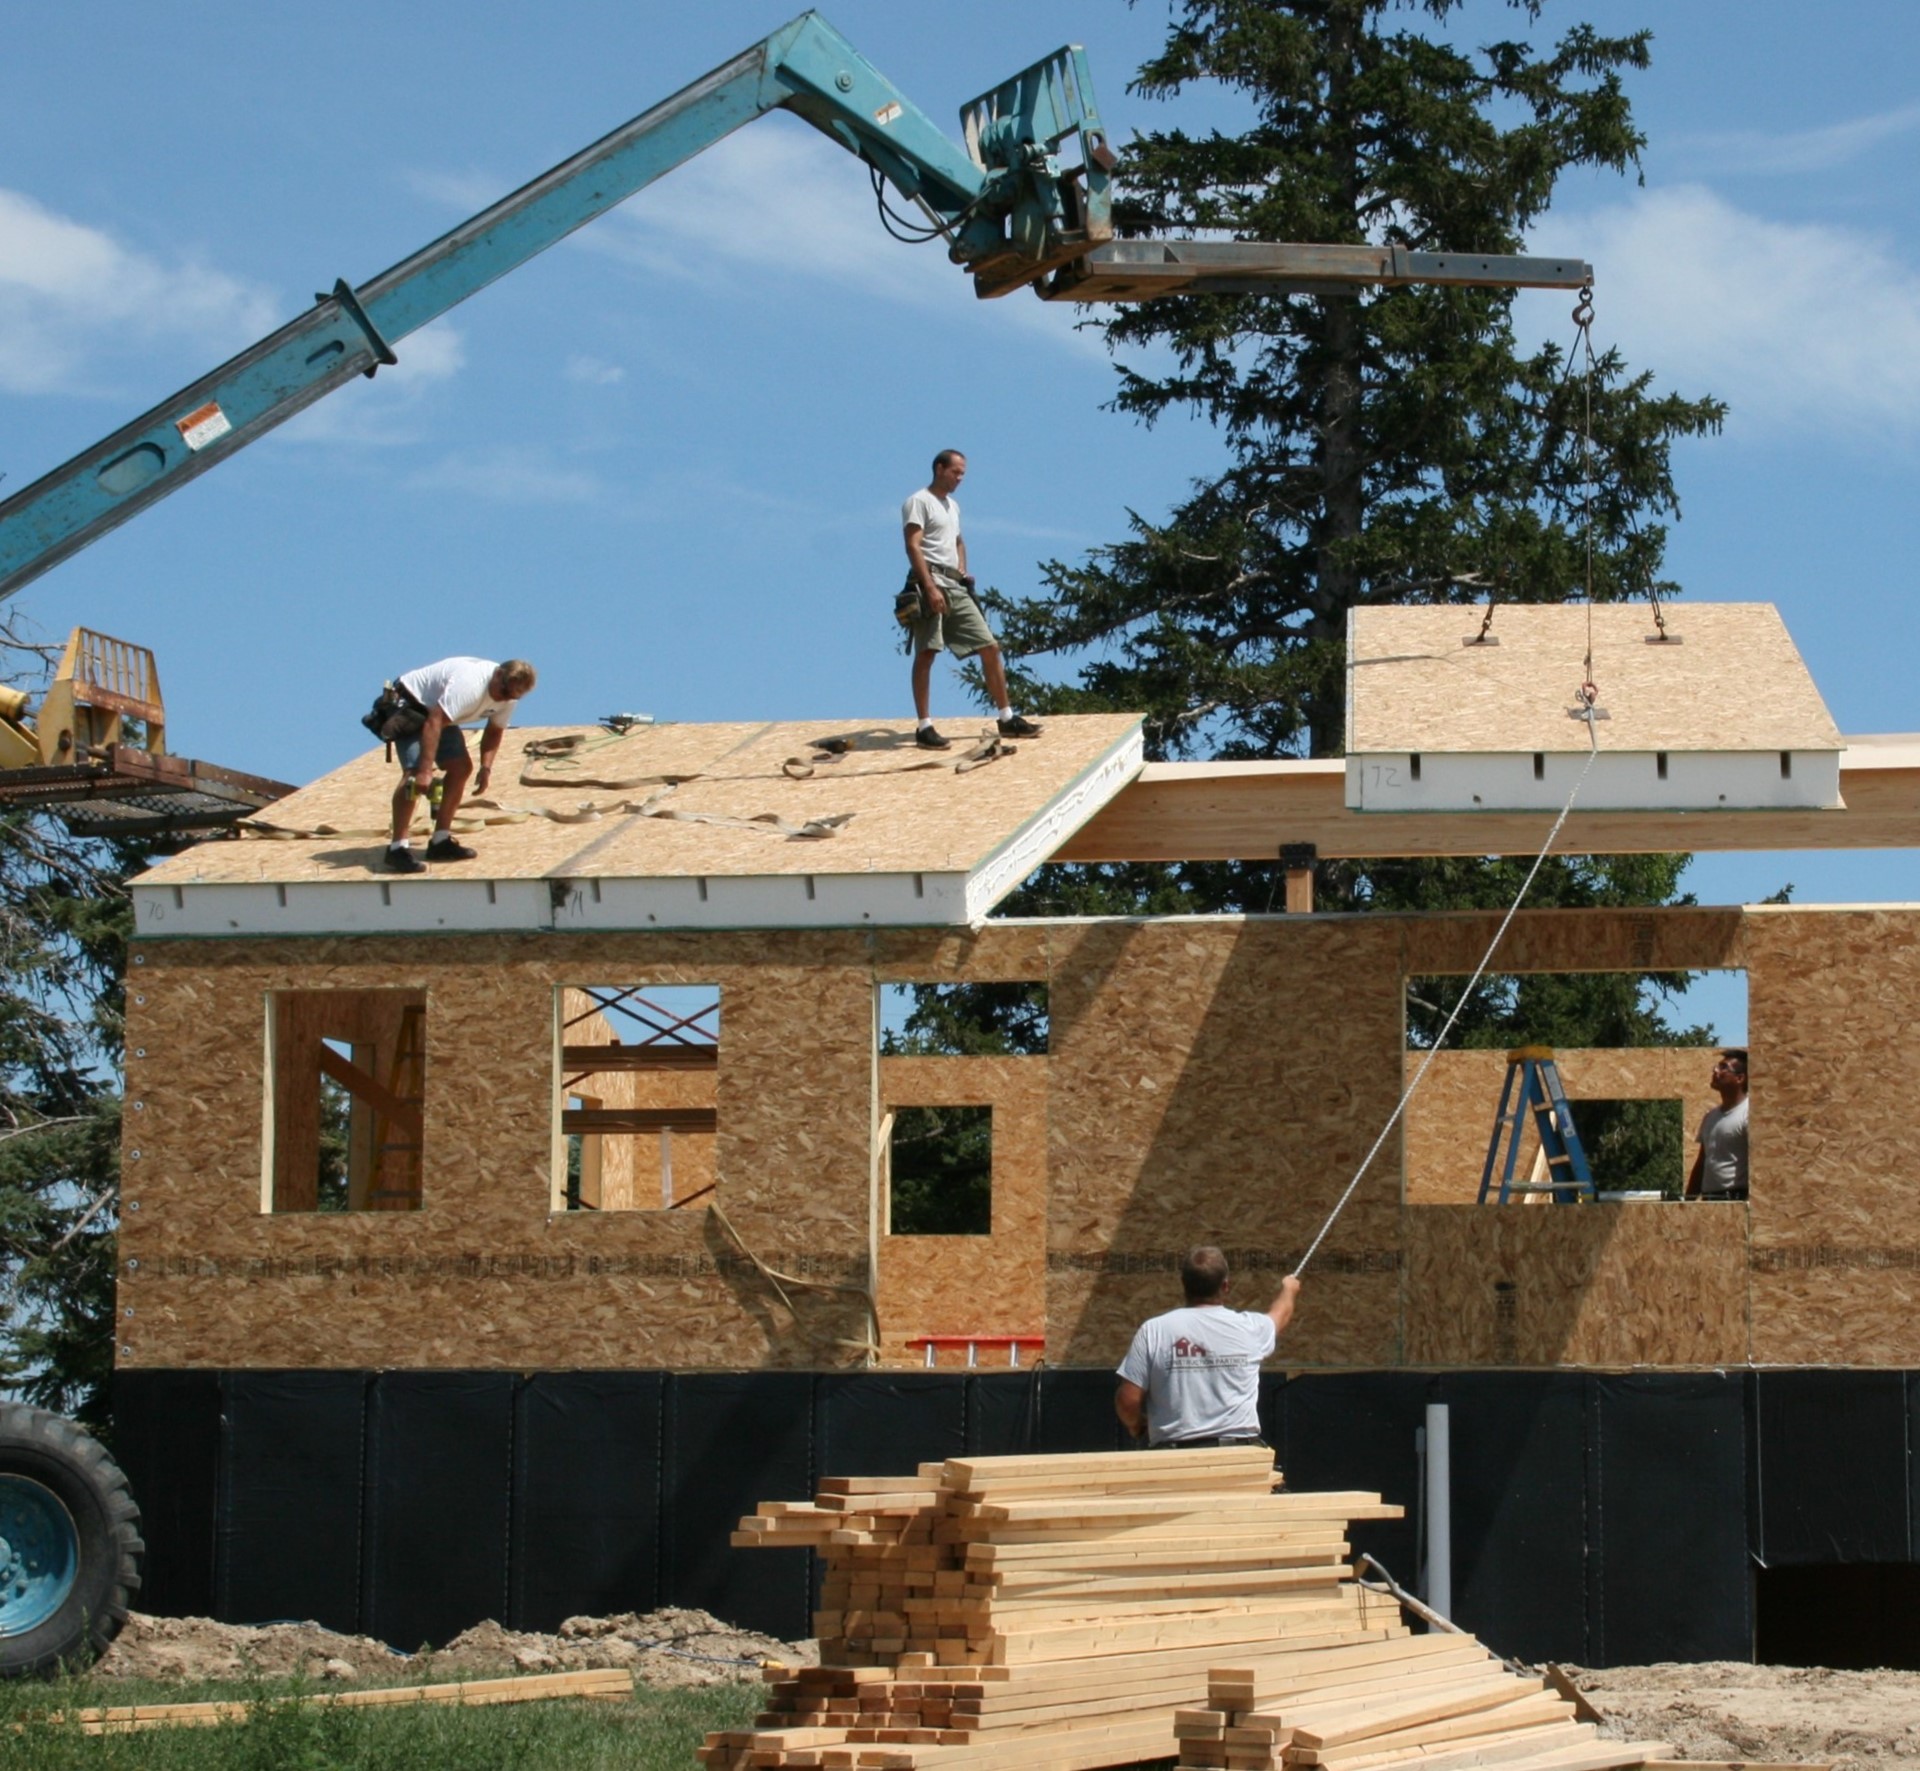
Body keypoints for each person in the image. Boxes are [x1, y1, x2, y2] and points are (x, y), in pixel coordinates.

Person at [900, 449, 1041, 750]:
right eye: (956, 472)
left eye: (963, 473)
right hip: (930, 584)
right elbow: (913, 546)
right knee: (927, 652)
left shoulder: (953, 506)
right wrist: (929, 587)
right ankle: (924, 727)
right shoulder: (918, 501)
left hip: (955, 586)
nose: (960, 478)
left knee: (989, 646)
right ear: (939, 468)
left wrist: (962, 569)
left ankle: (1006, 718)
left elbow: (958, 541)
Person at [1114, 1246, 1301, 1448]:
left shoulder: (1154, 1331)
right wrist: (1289, 1289)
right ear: (1225, 1286)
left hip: (1174, 1459)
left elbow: (1128, 1401)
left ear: (1184, 1284)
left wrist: (1138, 1426)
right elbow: (1280, 1316)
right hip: (1238, 1456)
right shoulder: (1249, 1328)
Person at [382, 657, 536, 873]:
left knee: (462, 768)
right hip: (412, 705)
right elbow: (434, 721)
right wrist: (426, 771)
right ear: (498, 675)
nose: (503, 698)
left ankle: (440, 842)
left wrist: (486, 768)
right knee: (414, 775)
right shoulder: (470, 686)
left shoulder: (509, 697)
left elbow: (494, 730)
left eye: (511, 696)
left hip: (441, 714)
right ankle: (397, 849)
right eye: (503, 692)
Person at [1685, 1048, 1749, 1201]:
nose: (1715, 1070)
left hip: (1736, 1200)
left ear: (1740, 1078)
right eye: (1717, 1066)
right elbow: (1702, 1162)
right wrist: (1687, 1202)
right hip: (1710, 1202)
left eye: (1724, 1067)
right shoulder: (1710, 1117)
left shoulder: (1749, 1114)